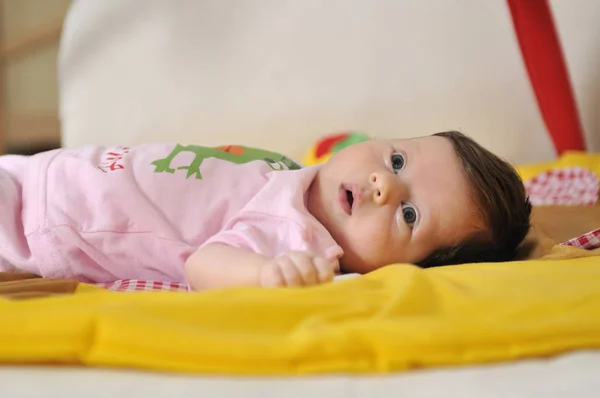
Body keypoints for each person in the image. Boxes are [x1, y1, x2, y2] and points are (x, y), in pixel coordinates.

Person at [0, 131, 531, 291]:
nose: (383, 185)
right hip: (51, 172)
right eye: (396, 160)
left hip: (50, 220)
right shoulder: (295, 173)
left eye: (410, 215)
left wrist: (267, 274)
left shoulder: (298, 239)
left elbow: (203, 265)